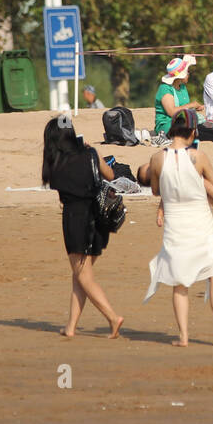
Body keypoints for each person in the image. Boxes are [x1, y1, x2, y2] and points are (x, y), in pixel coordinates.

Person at [141, 112, 213, 347]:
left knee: (180, 282)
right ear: (192, 132)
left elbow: (157, 190)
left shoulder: (157, 158)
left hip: (175, 223)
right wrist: (201, 180)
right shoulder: (198, 156)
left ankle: (184, 336)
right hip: (200, 221)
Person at [41, 117, 124, 339]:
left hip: (76, 220)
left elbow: (58, 186)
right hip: (98, 219)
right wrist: (90, 152)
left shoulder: (56, 163)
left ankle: (113, 318)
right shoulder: (90, 154)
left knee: (83, 276)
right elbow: (111, 175)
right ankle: (71, 327)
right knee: (80, 275)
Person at [152, 55, 202, 138]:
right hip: (167, 125)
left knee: (199, 126)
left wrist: (194, 108)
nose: (188, 74)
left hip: (181, 121)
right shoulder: (165, 89)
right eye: (187, 72)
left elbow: (182, 108)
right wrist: (191, 105)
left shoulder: (182, 87)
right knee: (192, 128)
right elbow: (172, 112)